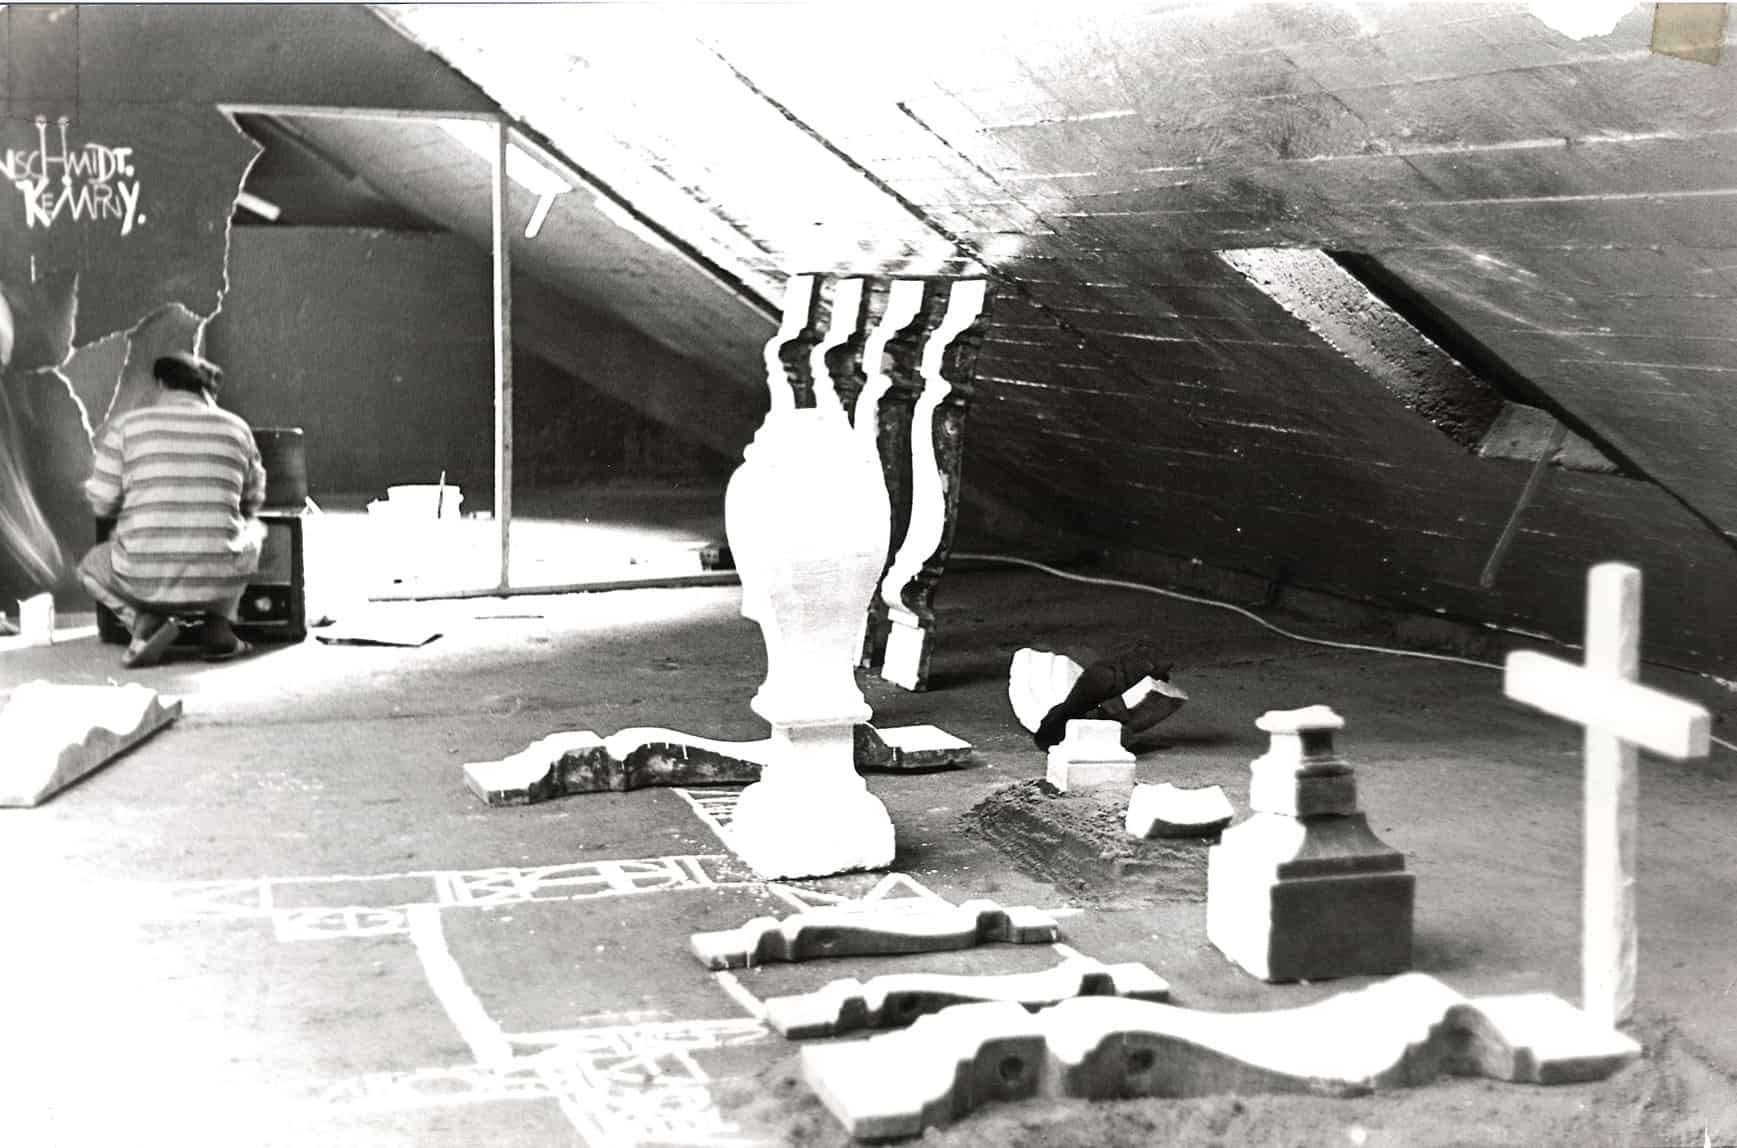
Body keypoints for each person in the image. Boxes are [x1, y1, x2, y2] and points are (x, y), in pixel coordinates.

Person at [79, 350, 267, 667]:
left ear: (161, 384)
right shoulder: (238, 428)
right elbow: (253, 498)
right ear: (203, 388)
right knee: (255, 530)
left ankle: (144, 624)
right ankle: (219, 626)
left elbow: (101, 503)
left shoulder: (127, 427)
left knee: (89, 568)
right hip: (218, 576)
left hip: (144, 578)